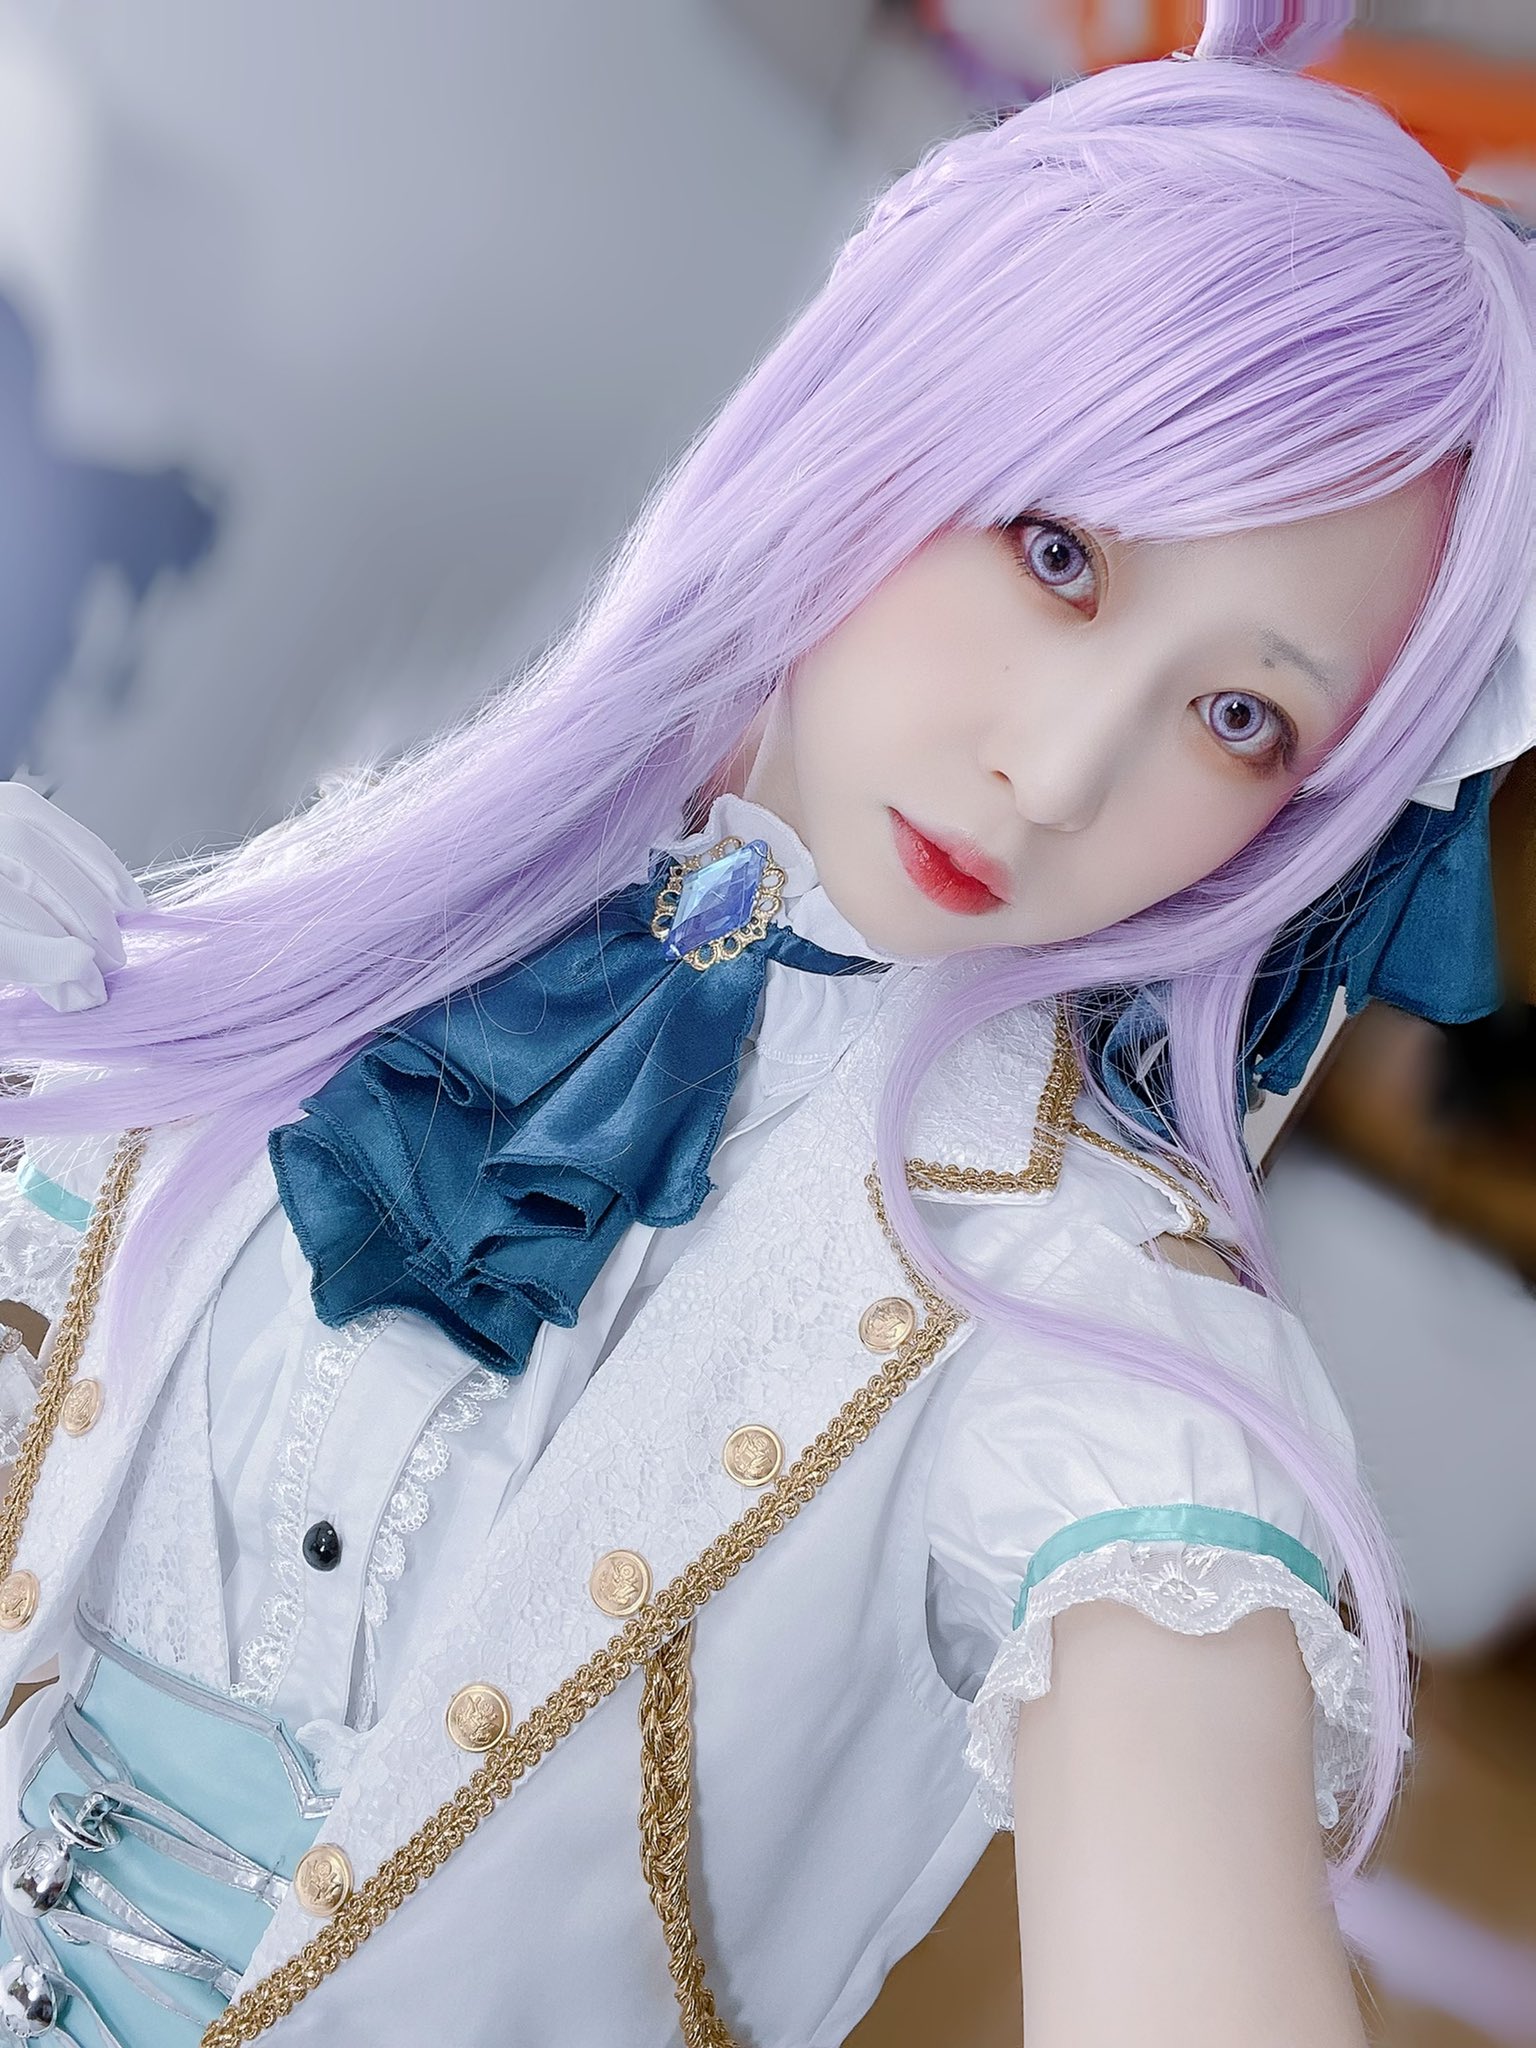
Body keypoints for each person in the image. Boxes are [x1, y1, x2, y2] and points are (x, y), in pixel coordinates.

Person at [1, 6, 1533, 2044]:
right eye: (1059, 555)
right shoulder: (357, 900)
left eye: (1241, 715)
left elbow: (1185, 1824)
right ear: (892, 405)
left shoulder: (1088, 1324)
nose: (1061, 772)